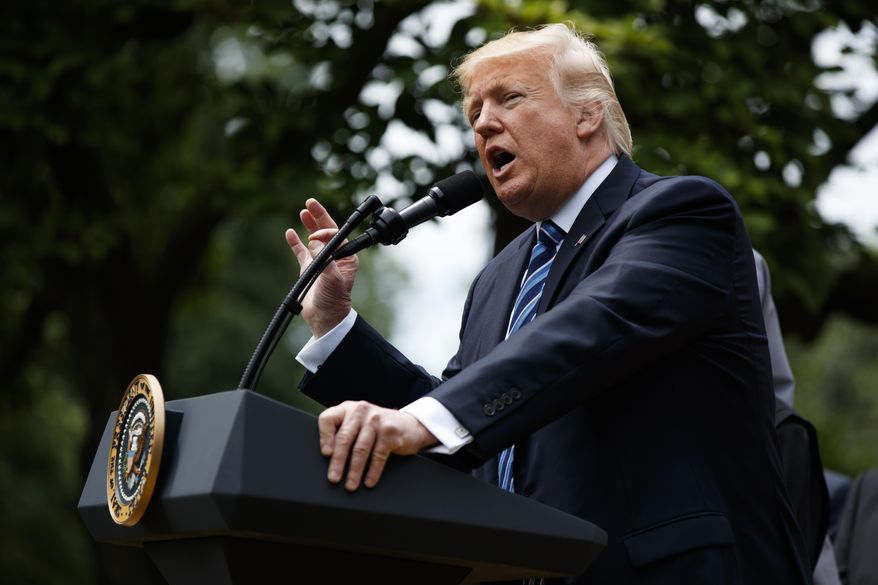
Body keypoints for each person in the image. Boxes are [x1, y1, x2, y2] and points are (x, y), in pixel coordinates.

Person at [286, 24, 810, 584]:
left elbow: (593, 328)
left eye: (509, 97)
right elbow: (465, 424)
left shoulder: (681, 214)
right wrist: (336, 325)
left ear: (587, 114)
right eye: (473, 113)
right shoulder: (497, 279)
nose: (484, 122)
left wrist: (422, 422)